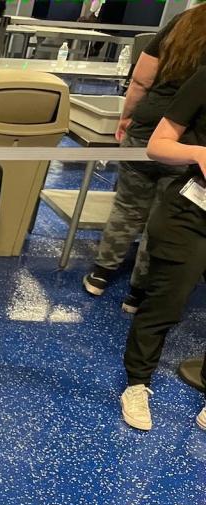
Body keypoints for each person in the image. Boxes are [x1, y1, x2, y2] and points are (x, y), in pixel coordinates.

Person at [83, 6, 206, 313]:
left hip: (147, 126)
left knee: (127, 206)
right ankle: (137, 294)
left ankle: (100, 275)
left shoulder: (185, 21)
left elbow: (141, 79)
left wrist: (126, 116)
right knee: (160, 218)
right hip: (186, 141)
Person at [120, 67, 206, 431]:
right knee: (164, 304)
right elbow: (158, 144)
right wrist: (200, 152)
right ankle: (137, 384)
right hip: (191, 214)